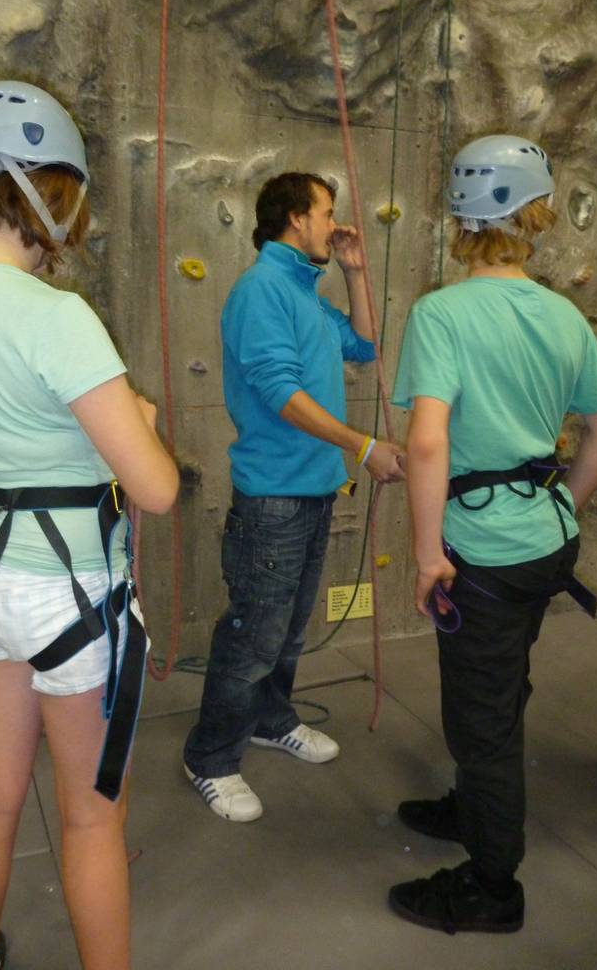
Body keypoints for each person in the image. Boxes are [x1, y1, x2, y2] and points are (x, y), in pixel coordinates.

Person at [0, 81, 179, 970]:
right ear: (52, 197)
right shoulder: (58, 317)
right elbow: (158, 490)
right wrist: (138, 419)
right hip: (62, 593)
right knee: (93, 811)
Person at [388, 135, 597, 933]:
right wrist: (562, 501)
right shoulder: (562, 315)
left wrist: (428, 557)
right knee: (500, 687)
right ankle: (473, 805)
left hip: (481, 554)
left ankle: (494, 887)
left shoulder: (442, 313)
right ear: (537, 211)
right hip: (543, 542)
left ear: (458, 217)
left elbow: (427, 442)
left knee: (481, 718)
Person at [183, 171, 405, 822]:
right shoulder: (261, 291)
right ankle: (210, 757)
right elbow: (281, 396)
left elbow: (364, 345)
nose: (335, 225)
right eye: (327, 213)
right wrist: (361, 446)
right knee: (254, 636)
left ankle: (270, 718)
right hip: (273, 497)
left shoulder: (305, 292)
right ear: (295, 218)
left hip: (311, 489)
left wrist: (357, 272)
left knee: (287, 632)